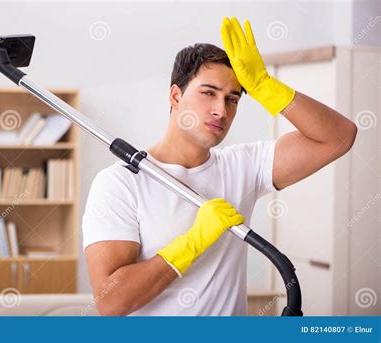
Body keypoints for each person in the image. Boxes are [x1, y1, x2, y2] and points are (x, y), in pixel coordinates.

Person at [82, 17, 357, 316]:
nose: (220, 110)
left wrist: (266, 86)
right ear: (176, 95)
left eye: (233, 99)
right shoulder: (120, 183)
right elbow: (111, 302)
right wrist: (192, 243)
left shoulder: (242, 166)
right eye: (208, 93)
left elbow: (339, 136)